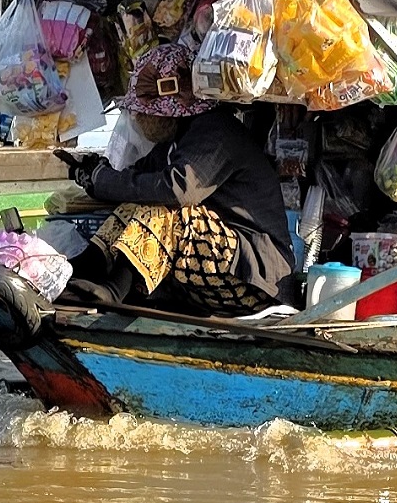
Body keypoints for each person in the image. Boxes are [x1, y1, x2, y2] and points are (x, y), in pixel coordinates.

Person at [66, 43, 294, 314]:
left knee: (168, 207)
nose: (137, 117)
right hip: (213, 271)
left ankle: (115, 290)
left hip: (256, 279)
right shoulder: (176, 141)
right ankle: (84, 267)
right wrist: (93, 174)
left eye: (143, 111)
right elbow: (134, 181)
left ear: (170, 109)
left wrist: (103, 180)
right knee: (138, 200)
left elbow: (176, 191)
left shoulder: (216, 131)